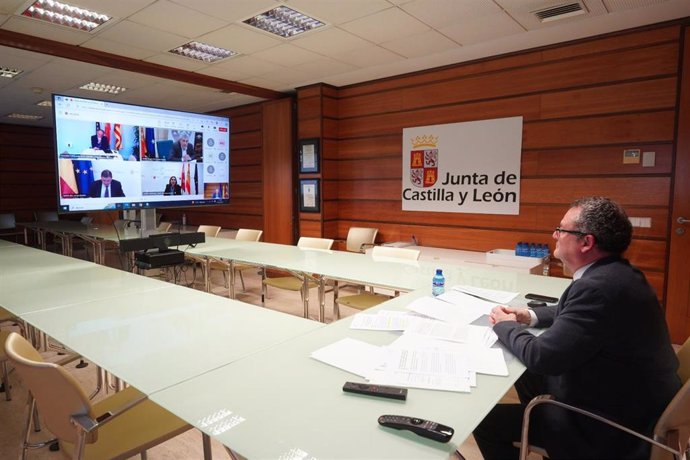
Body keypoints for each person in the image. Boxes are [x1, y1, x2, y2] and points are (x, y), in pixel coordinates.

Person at [473, 196, 680, 460]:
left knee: (488, 422)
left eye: (561, 229)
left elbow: (542, 357)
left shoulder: (597, 288)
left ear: (586, 241)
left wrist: (505, 326)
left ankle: (548, 432)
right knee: (525, 374)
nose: (554, 234)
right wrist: (529, 316)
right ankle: (541, 430)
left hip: (611, 426)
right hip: (630, 396)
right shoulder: (616, 274)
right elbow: (575, 310)